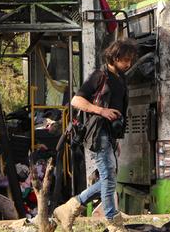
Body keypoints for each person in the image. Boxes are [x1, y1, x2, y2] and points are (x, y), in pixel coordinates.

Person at [53, 39, 137, 232]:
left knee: (109, 178)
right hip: (98, 133)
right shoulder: (100, 76)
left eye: (130, 60)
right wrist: (101, 110)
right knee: (108, 176)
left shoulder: (120, 78)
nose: (128, 64)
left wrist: (116, 138)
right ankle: (112, 221)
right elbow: (76, 100)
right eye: (125, 60)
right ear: (115, 58)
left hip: (110, 135)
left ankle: (70, 207)